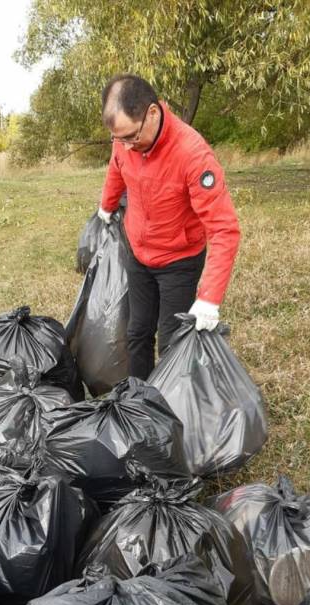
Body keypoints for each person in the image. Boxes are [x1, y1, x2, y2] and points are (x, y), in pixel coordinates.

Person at [98, 74, 241, 379]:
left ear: (152, 113)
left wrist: (209, 298)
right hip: (138, 253)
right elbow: (116, 171)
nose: (125, 146)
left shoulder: (193, 154)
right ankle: (139, 405)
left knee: (171, 344)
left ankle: (169, 411)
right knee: (137, 333)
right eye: (118, 139)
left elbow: (224, 228)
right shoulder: (125, 143)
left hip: (179, 260)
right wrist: (107, 206)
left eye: (131, 137)